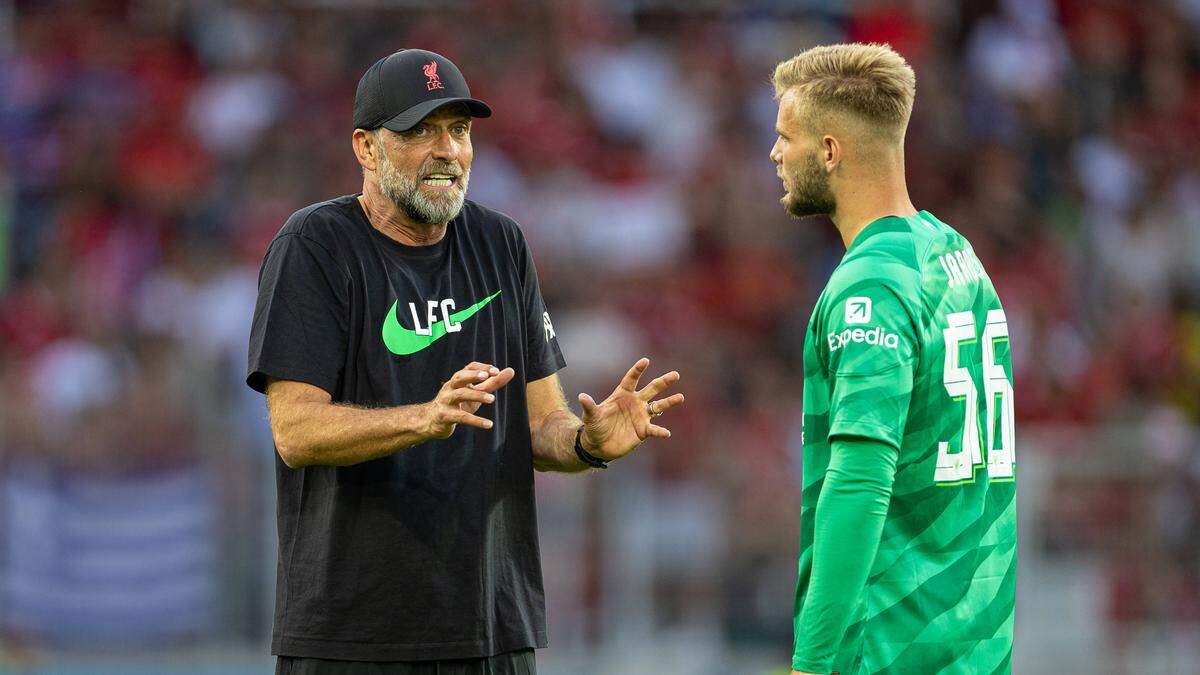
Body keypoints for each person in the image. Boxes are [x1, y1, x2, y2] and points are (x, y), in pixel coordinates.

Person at [246, 49, 684, 675]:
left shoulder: (500, 243)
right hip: (353, 636)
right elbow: (295, 431)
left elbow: (538, 427)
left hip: (492, 628)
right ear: (366, 149)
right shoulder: (316, 246)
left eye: (458, 131)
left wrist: (588, 444)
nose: (446, 150)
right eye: (419, 131)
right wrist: (423, 418)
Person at [769, 44, 1017, 674]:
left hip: (887, 648)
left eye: (785, 137)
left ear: (829, 150)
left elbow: (860, 480)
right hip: (974, 646)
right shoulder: (957, 255)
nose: (775, 154)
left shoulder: (871, 287)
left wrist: (812, 662)